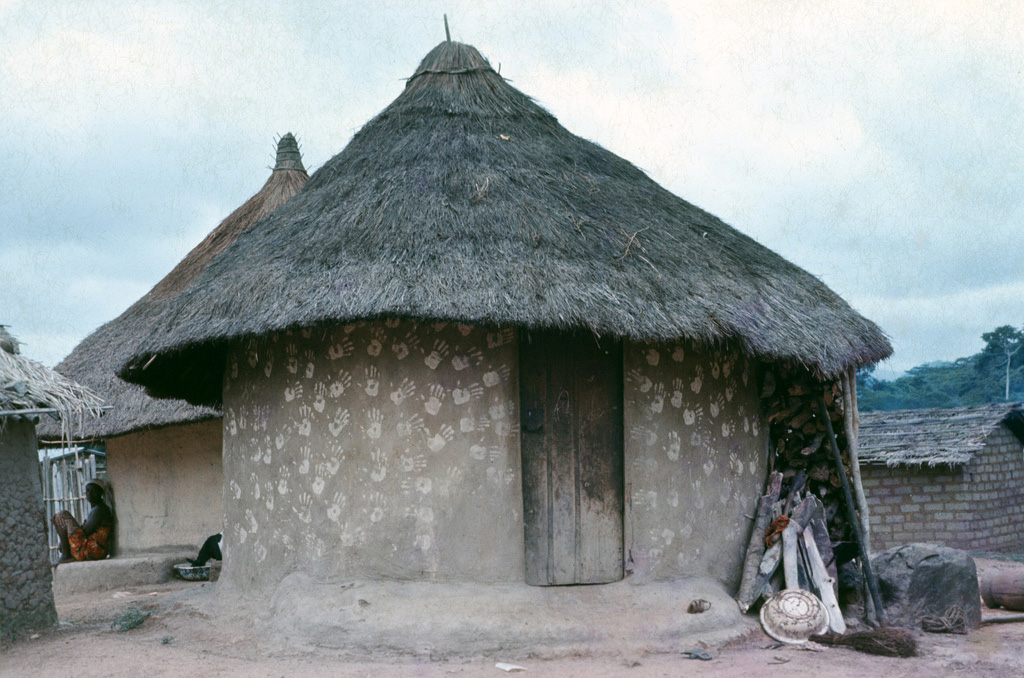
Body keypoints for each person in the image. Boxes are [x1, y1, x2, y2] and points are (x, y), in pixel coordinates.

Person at [52, 478, 113, 567]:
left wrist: (66, 540)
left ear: (100, 493)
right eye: (87, 491)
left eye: (93, 491)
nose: (89, 493)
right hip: (94, 551)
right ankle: (66, 555)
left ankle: (66, 556)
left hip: (91, 550)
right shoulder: (96, 509)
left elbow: (85, 532)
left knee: (62, 515)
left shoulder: (100, 509)